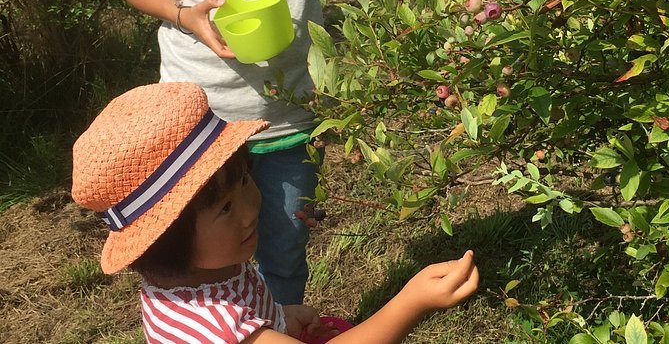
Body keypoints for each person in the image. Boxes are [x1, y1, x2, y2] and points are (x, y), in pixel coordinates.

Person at [110, 0, 416, 305]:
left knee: (286, 246)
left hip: (289, 105)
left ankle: (282, 323)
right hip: (198, 115)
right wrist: (183, 14)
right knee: (199, 260)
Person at [71, 82, 479, 343]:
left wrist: (279, 317)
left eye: (246, 180)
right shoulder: (217, 327)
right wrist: (411, 302)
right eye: (226, 207)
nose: (250, 210)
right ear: (165, 238)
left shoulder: (198, 271)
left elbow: (245, 301)